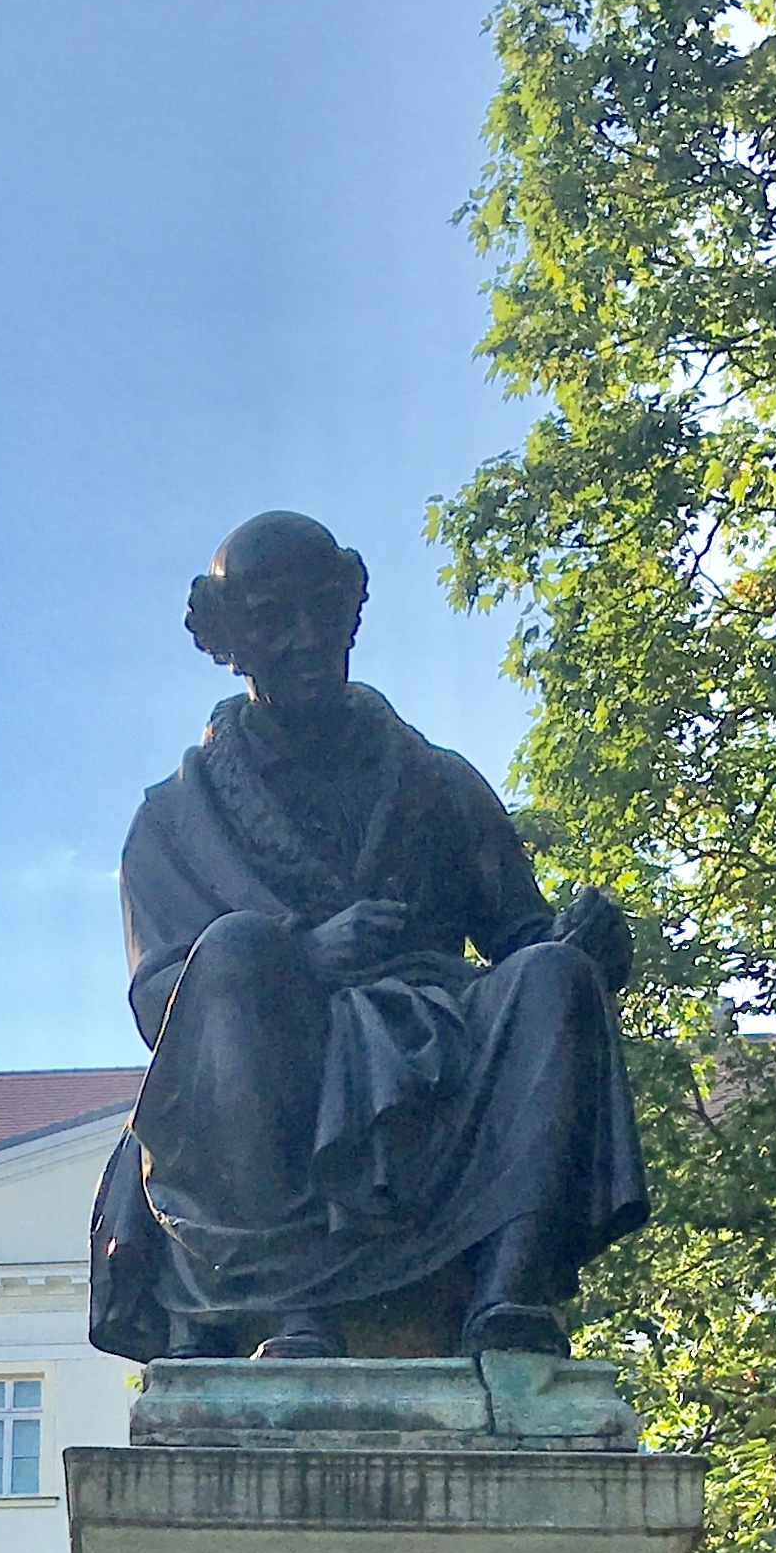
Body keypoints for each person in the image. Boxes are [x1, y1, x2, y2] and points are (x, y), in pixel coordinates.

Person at [88, 511, 645, 1362]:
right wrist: (300, 960)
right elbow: (162, 1004)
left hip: (437, 1066)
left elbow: (522, 938)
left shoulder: (437, 784)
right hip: (267, 1089)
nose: (306, 638)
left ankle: (508, 1294)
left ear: (351, 613)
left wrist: (585, 945)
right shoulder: (174, 819)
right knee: (237, 951)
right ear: (230, 639)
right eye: (274, 617)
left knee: (553, 978)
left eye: (322, 609)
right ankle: (287, 1301)